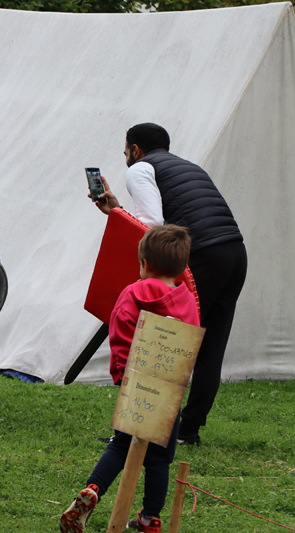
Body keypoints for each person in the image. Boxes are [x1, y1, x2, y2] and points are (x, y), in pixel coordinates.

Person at [93, 123, 247, 445]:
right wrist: (118, 211)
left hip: (203, 255)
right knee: (210, 348)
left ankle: (142, 430)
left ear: (135, 150)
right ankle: (187, 430)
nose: (126, 158)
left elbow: (152, 226)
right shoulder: (189, 166)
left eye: (125, 152)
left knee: (161, 342)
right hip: (234, 252)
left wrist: (118, 213)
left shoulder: (139, 170)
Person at [60, 225, 200, 533]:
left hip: (137, 384)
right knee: (160, 459)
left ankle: (93, 490)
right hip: (170, 390)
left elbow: (120, 331)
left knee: (121, 446)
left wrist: (122, 374)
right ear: (180, 268)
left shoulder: (133, 293)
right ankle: (150, 518)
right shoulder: (187, 300)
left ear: (145, 263)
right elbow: (190, 345)